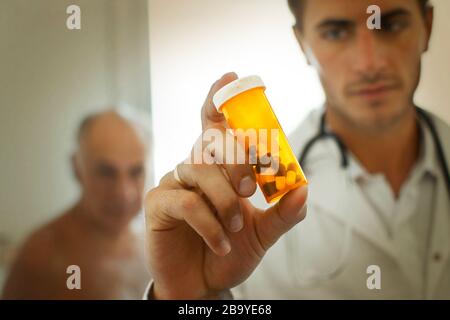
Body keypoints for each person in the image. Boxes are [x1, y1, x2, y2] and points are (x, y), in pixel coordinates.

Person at [144, 0, 450, 299]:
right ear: (302, 42)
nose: (369, 63)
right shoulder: (250, 201)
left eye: (392, 25)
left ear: (427, 26)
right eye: (336, 32)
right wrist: (186, 297)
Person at [2, 109, 151, 299]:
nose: (124, 193)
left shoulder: (154, 243)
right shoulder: (40, 258)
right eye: (106, 172)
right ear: (77, 168)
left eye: (136, 171)